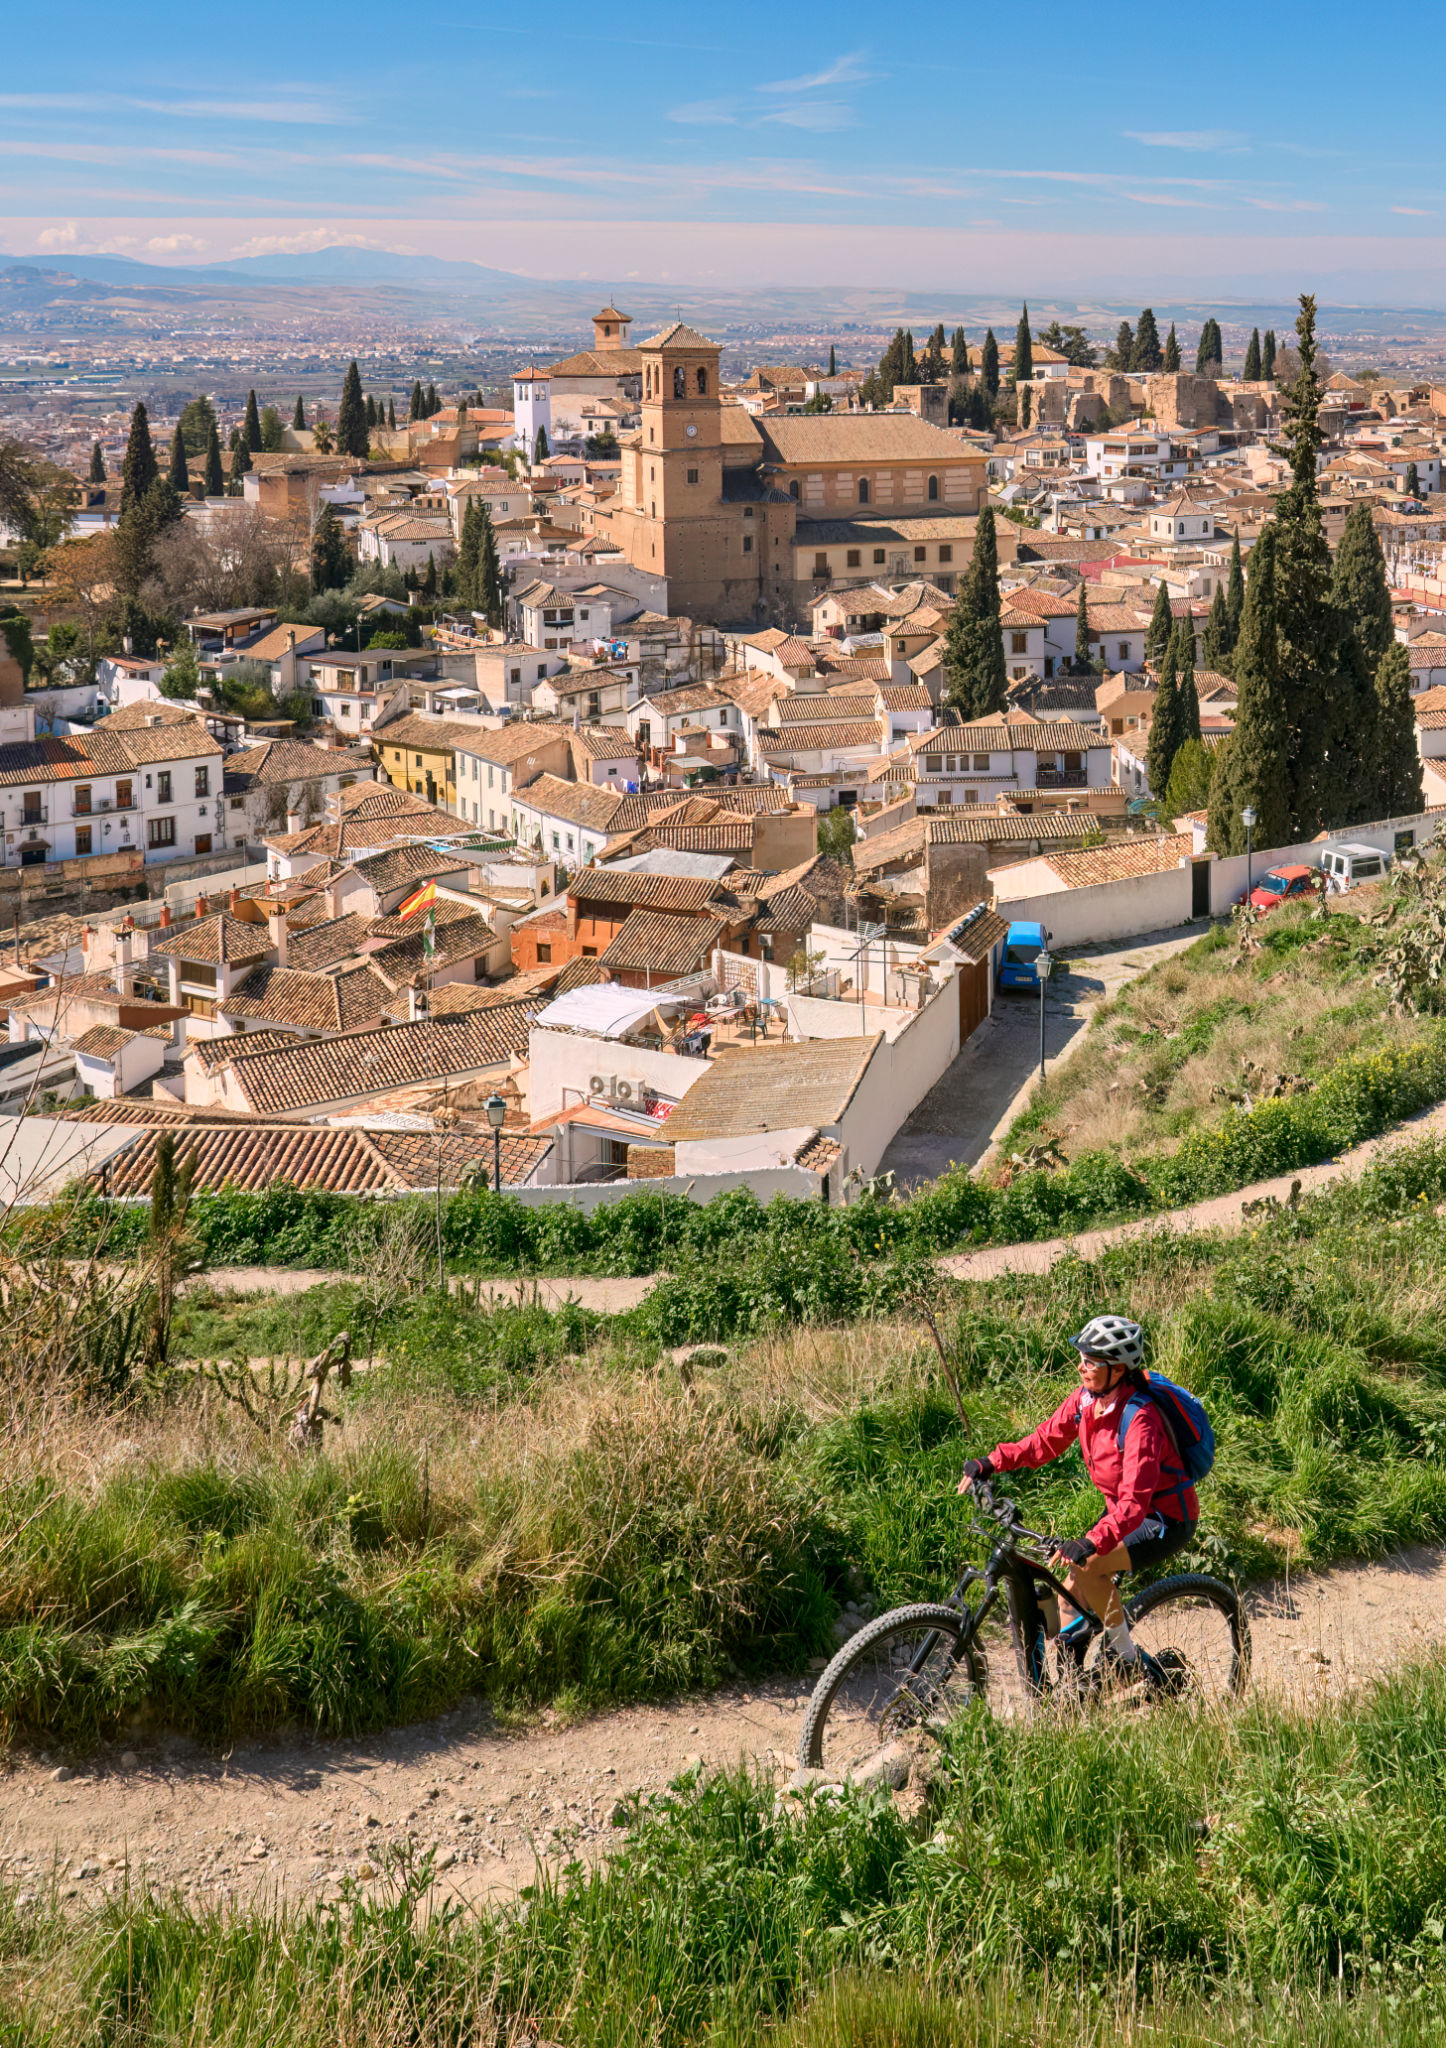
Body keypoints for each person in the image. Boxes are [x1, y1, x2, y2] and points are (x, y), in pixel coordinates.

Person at [957, 1315, 1198, 1675]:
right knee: (1067, 1601)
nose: (1081, 1367)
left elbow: (1135, 1501)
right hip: (1122, 1514)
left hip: (1163, 1519)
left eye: (1091, 1361)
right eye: (1082, 1357)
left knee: (1087, 1565)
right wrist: (992, 1461)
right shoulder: (1086, 1401)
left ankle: (1126, 1659)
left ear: (1118, 1369)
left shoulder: (1141, 1420)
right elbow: (1043, 1442)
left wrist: (1091, 1541)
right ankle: (1075, 1685)